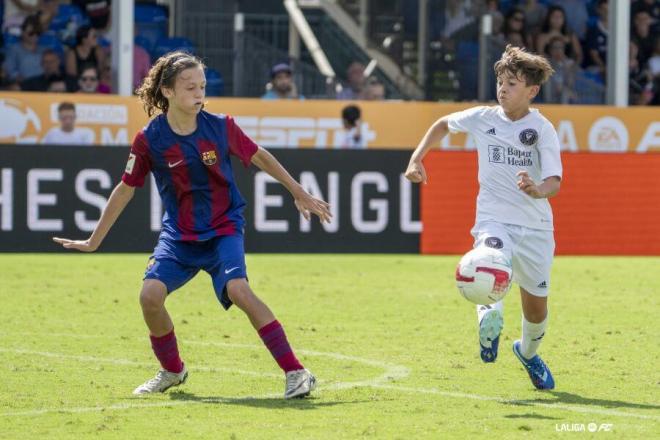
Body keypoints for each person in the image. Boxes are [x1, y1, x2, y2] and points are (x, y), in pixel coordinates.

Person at [53, 51, 331, 399]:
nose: (199, 94)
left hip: (223, 228)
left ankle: (296, 372)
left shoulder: (221, 126)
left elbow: (259, 155)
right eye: (190, 88)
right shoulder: (149, 139)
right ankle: (172, 370)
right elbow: (125, 189)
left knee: (239, 291)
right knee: (149, 297)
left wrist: (299, 192)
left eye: (202, 87)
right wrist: (95, 240)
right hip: (179, 235)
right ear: (167, 91)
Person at [405, 45, 562, 390]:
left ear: (532, 91)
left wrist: (538, 189)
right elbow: (443, 123)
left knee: (536, 314)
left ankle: (527, 353)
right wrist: (417, 158)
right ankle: (488, 317)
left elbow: (554, 180)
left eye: (512, 84)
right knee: (485, 262)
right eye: (501, 82)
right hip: (494, 221)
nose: (502, 89)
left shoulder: (543, 129)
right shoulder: (483, 117)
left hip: (536, 228)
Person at [3, 15, 45, 83]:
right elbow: (9, 70)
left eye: (38, 32)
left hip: (43, 87)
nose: (35, 36)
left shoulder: (45, 50)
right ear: (22, 32)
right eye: (31, 33)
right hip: (23, 86)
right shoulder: (14, 49)